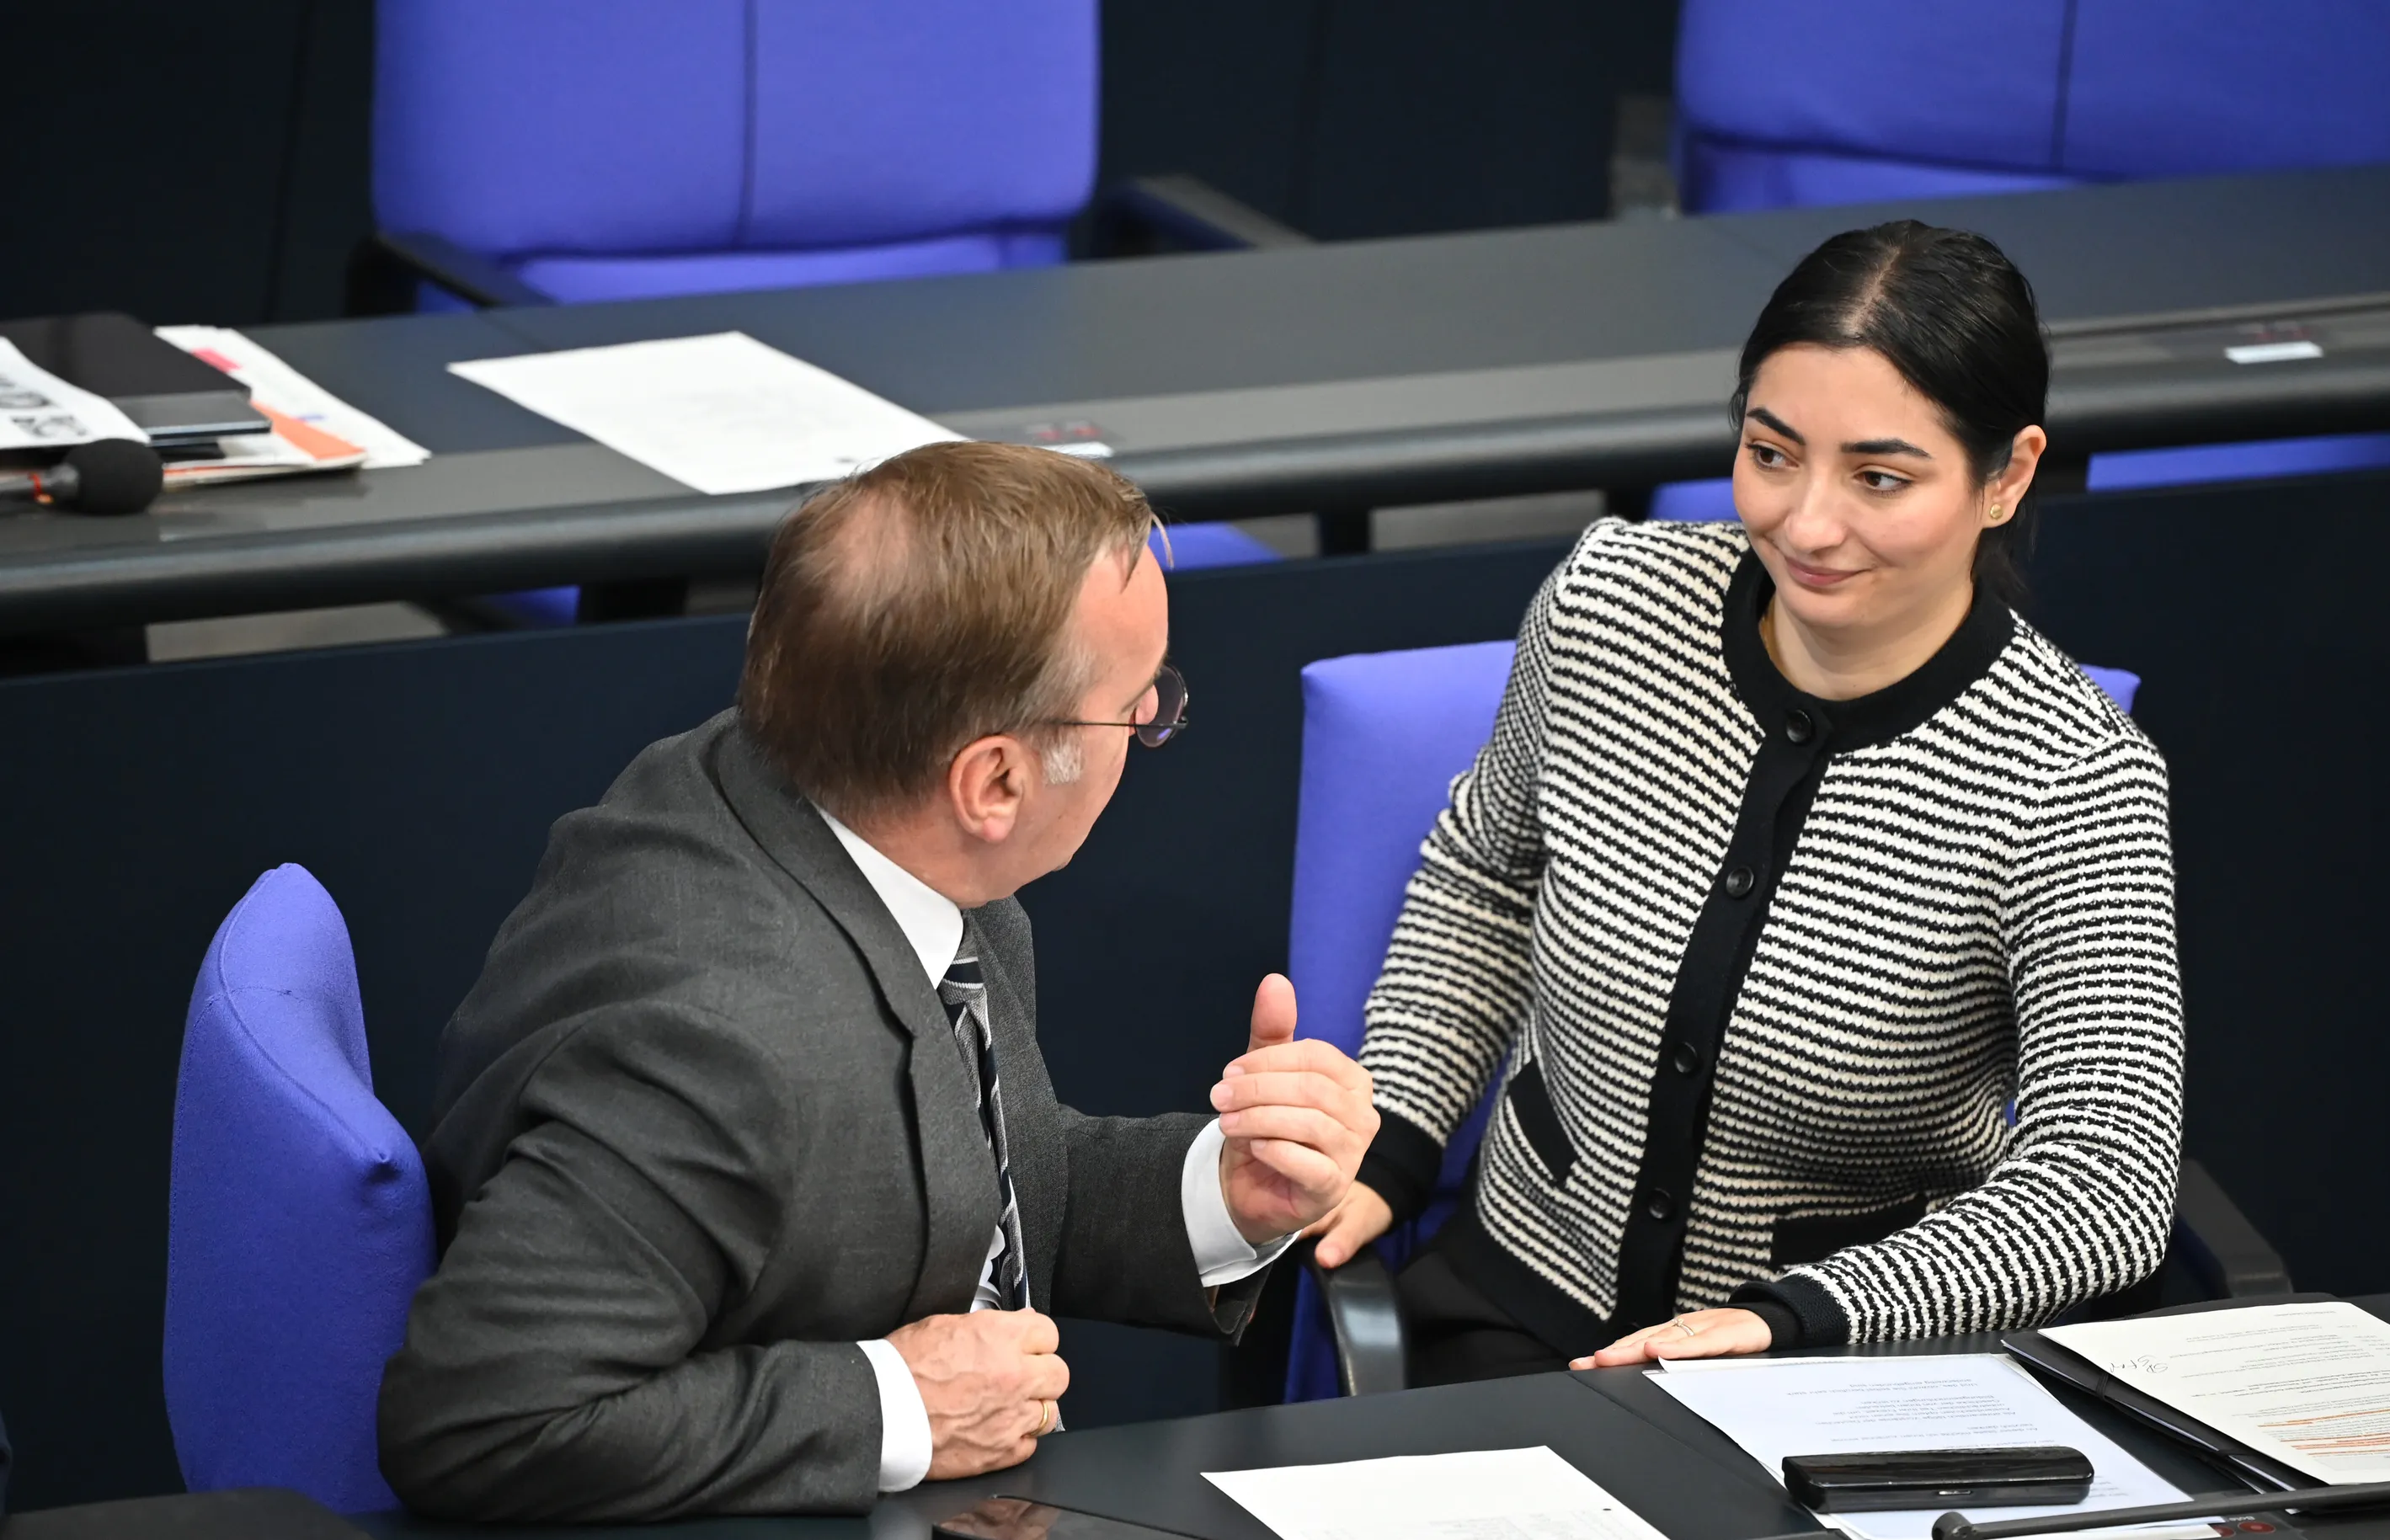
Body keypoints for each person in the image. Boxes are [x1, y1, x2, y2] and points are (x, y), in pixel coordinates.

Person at [377, 442, 1378, 1520]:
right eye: (1141, 702)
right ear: (992, 779)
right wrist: (895, 1403)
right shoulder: (709, 1053)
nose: (1149, 725)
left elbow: (953, 1181)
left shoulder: (812, 795)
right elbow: (482, 1418)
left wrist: (1225, 1193)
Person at [1305, 221, 2183, 1382]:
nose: (1806, 524)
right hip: (1519, 1310)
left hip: (1837, 1370)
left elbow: (2106, 1179)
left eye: (1878, 477)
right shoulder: (1609, 603)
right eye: (1772, 454)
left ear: (2008, 474)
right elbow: (1488, 876)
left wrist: (1798, 1313)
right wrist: (1398, 1134)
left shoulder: (2075, 780)